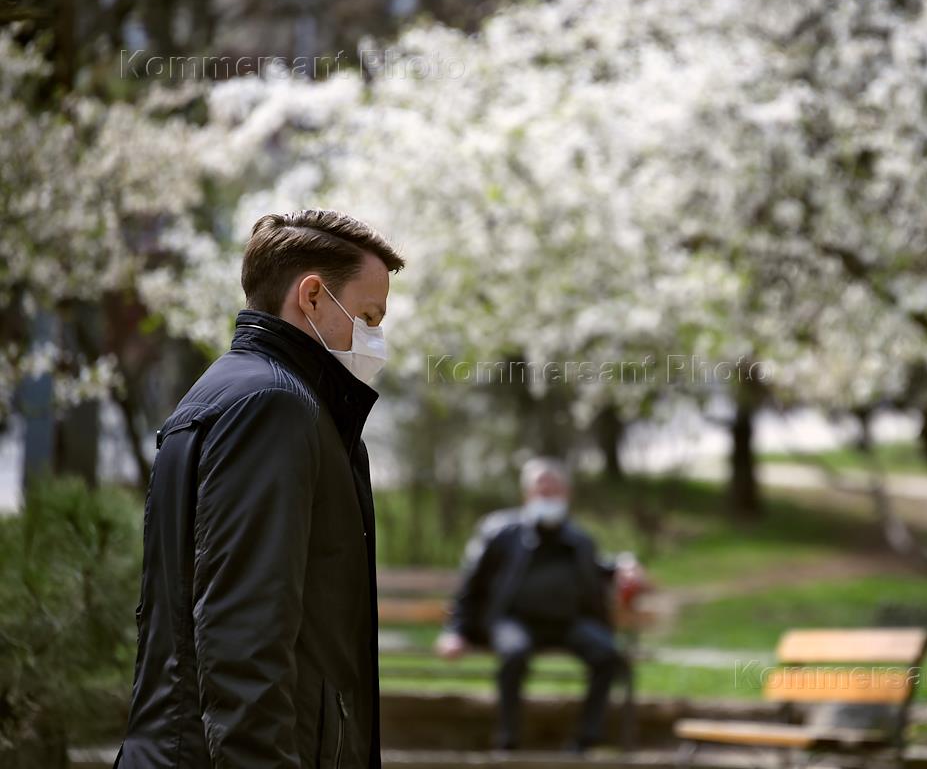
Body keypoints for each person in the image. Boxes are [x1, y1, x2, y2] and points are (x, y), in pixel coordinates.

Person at [114, 209, 405, 769]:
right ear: (313, 296)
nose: (375, 338)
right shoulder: (275, 407)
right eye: (368, 316)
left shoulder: (228, 391)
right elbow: (244, 634)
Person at [436, 457, 627, 753]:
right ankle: (508, 742)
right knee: (514, 654)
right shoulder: (499, 532)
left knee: (608, 655)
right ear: (527, 494)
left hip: (565, 624)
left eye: (554, 490)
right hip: (512, 621)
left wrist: (624, 567)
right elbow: (471, 584)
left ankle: (585, 740)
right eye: (541, 490)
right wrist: (455, 630)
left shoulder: (580, 539)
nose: (547, 496)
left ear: (567, 494)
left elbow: (597, 569)